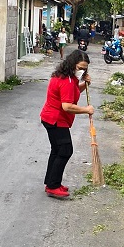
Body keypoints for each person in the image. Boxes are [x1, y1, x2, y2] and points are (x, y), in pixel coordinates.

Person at [40, 50, 93, 199]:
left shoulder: (67, 77)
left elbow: (73, 93)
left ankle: (51, 182)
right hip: (56, 120)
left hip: (51, 118)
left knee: (57, 151)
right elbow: (67, 106)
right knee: (65, 150)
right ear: (72, 65)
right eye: (80, 67)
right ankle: (53, 186)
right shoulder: (67, 81)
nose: (82, 71)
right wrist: (86, 110)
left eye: (84, 68)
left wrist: (84, 84)